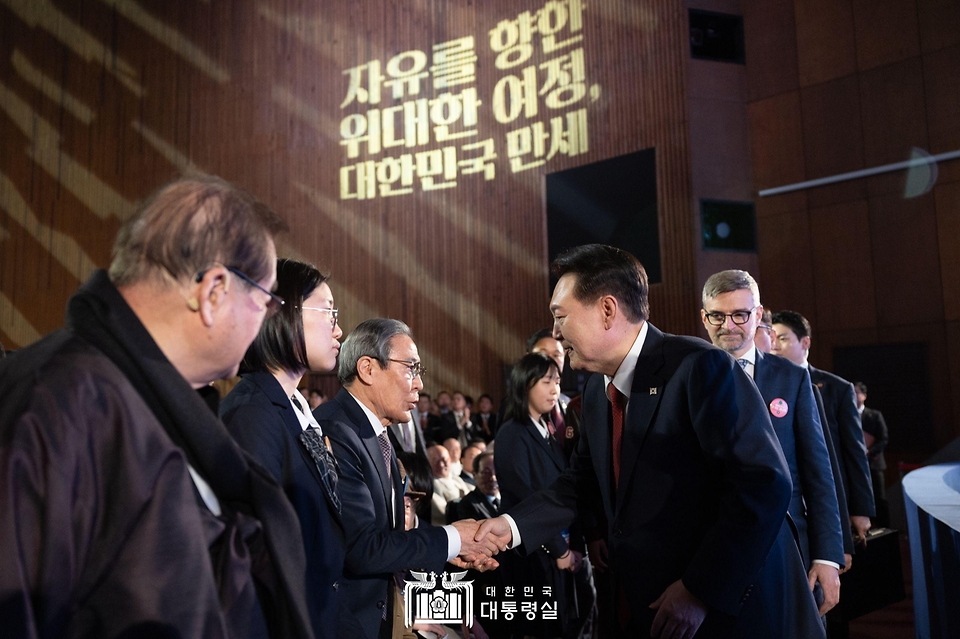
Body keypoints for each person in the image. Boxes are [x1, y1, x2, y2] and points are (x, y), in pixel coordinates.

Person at [0, 176, 313, 638]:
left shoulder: (139, 396)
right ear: (213, 292)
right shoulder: (59, 404)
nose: (263, 322)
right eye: (266, 301)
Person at [477, 244, 822, 638]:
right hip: (646, 608)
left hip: (728, 614)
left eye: (560, 317)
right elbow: (581, 483)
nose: (555, 332)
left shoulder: (700, 368)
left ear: (607, 310)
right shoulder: (594, 392)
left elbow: (763, 486)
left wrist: (698, 589)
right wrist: (510, 526)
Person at [314, 319, 504, 639]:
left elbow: (394, 530)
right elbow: (362, 547)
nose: (418, 384)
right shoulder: (336, 431)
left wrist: (449, 548)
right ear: (368, 369)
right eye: (411, 368)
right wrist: (452, 538)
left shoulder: (378, 434)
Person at [220, 258, 356, 638]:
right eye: (328, 312)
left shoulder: (296, 410)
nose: (339, 329)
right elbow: (253, 560)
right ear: (282, 311)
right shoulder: (253, 415)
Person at [701, 270, 843, 616]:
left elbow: (818, 472)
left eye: (740, 315)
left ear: (759, 315)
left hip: (790, 542)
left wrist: (828, 555)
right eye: (718, 316)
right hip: (712, 548)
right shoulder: (688, 378)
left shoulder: (792, 378)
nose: (728, 325)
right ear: (704, 318)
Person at [497, 352, 585, 638]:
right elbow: (525, 499)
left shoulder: (546, 430)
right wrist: (559, 550)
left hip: (556, 549)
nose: (555, 390)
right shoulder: (512, 433)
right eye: (546, 382)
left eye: (557, 382)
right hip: (533, 556)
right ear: (525, 385)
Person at [771, 311, 876, 544]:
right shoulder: (767, 385)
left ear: (805, 342)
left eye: (783, 338)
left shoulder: (836, 388)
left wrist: (861, 508)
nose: (775, 345)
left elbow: (854, 453)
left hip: (832, 497)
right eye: (772, 337)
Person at [856, 382, 889, 527]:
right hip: (856, 464)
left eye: (856, 392)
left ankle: (884, 528)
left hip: (874, 464)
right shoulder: (847, 414)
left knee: (879, 498)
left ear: (864, 396)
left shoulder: (874, 415)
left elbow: (883, 438)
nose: (854, 395)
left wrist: (870, 451)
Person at [428, 444, 472, 525]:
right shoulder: (431, 485)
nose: (441, 464)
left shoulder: (457, 479)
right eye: (435, 461)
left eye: (444, 460)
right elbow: (442, 514)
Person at [451, 452, 501, 521]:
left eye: (496, 472)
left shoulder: (509, 500)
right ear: (475, 475)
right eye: (486, 472)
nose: (493, 478)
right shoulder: (467, 505)